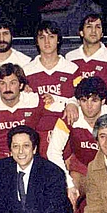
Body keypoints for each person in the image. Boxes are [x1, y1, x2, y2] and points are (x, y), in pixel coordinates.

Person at [46, 77, 107, 210]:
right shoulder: (70, 118)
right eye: (84, 100)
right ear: (78, 101)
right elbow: (52, 152)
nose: (89, 106)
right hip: (81, 168)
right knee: (68, 196)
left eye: (94, 100)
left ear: (103, 101)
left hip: (106, 171)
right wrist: (69, 184)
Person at [23, 20, 81, 153]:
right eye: (42, 37)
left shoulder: (72, 69)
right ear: (36, 41)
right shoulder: (26, 71)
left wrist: (72, 103)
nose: (47, 42)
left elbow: (81, 98)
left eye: (51, 37)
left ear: (58, 40)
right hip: (37, 133)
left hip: (66, 132)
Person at [64, 13, 107, 111]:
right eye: (89, 27)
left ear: (102, 33)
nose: (93, 31)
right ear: (81, 32)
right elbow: (67, 90)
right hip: (78, 118)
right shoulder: (70, 58)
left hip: (105, 119)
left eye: (98, 27)